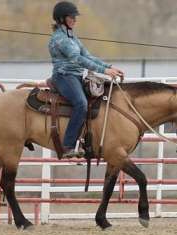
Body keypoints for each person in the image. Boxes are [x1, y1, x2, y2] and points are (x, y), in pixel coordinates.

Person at [49, 1, 124, 158]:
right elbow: (77, 59)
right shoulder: (60, 39)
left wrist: (109, 66)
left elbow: (87, 56)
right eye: (72, 17)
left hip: (76, 76)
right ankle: (68, 145)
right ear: (62, 19)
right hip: (64, 76)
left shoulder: (72, 37)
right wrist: (104, 71)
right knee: (81, 103)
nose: (75, 19)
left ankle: (84, 140)